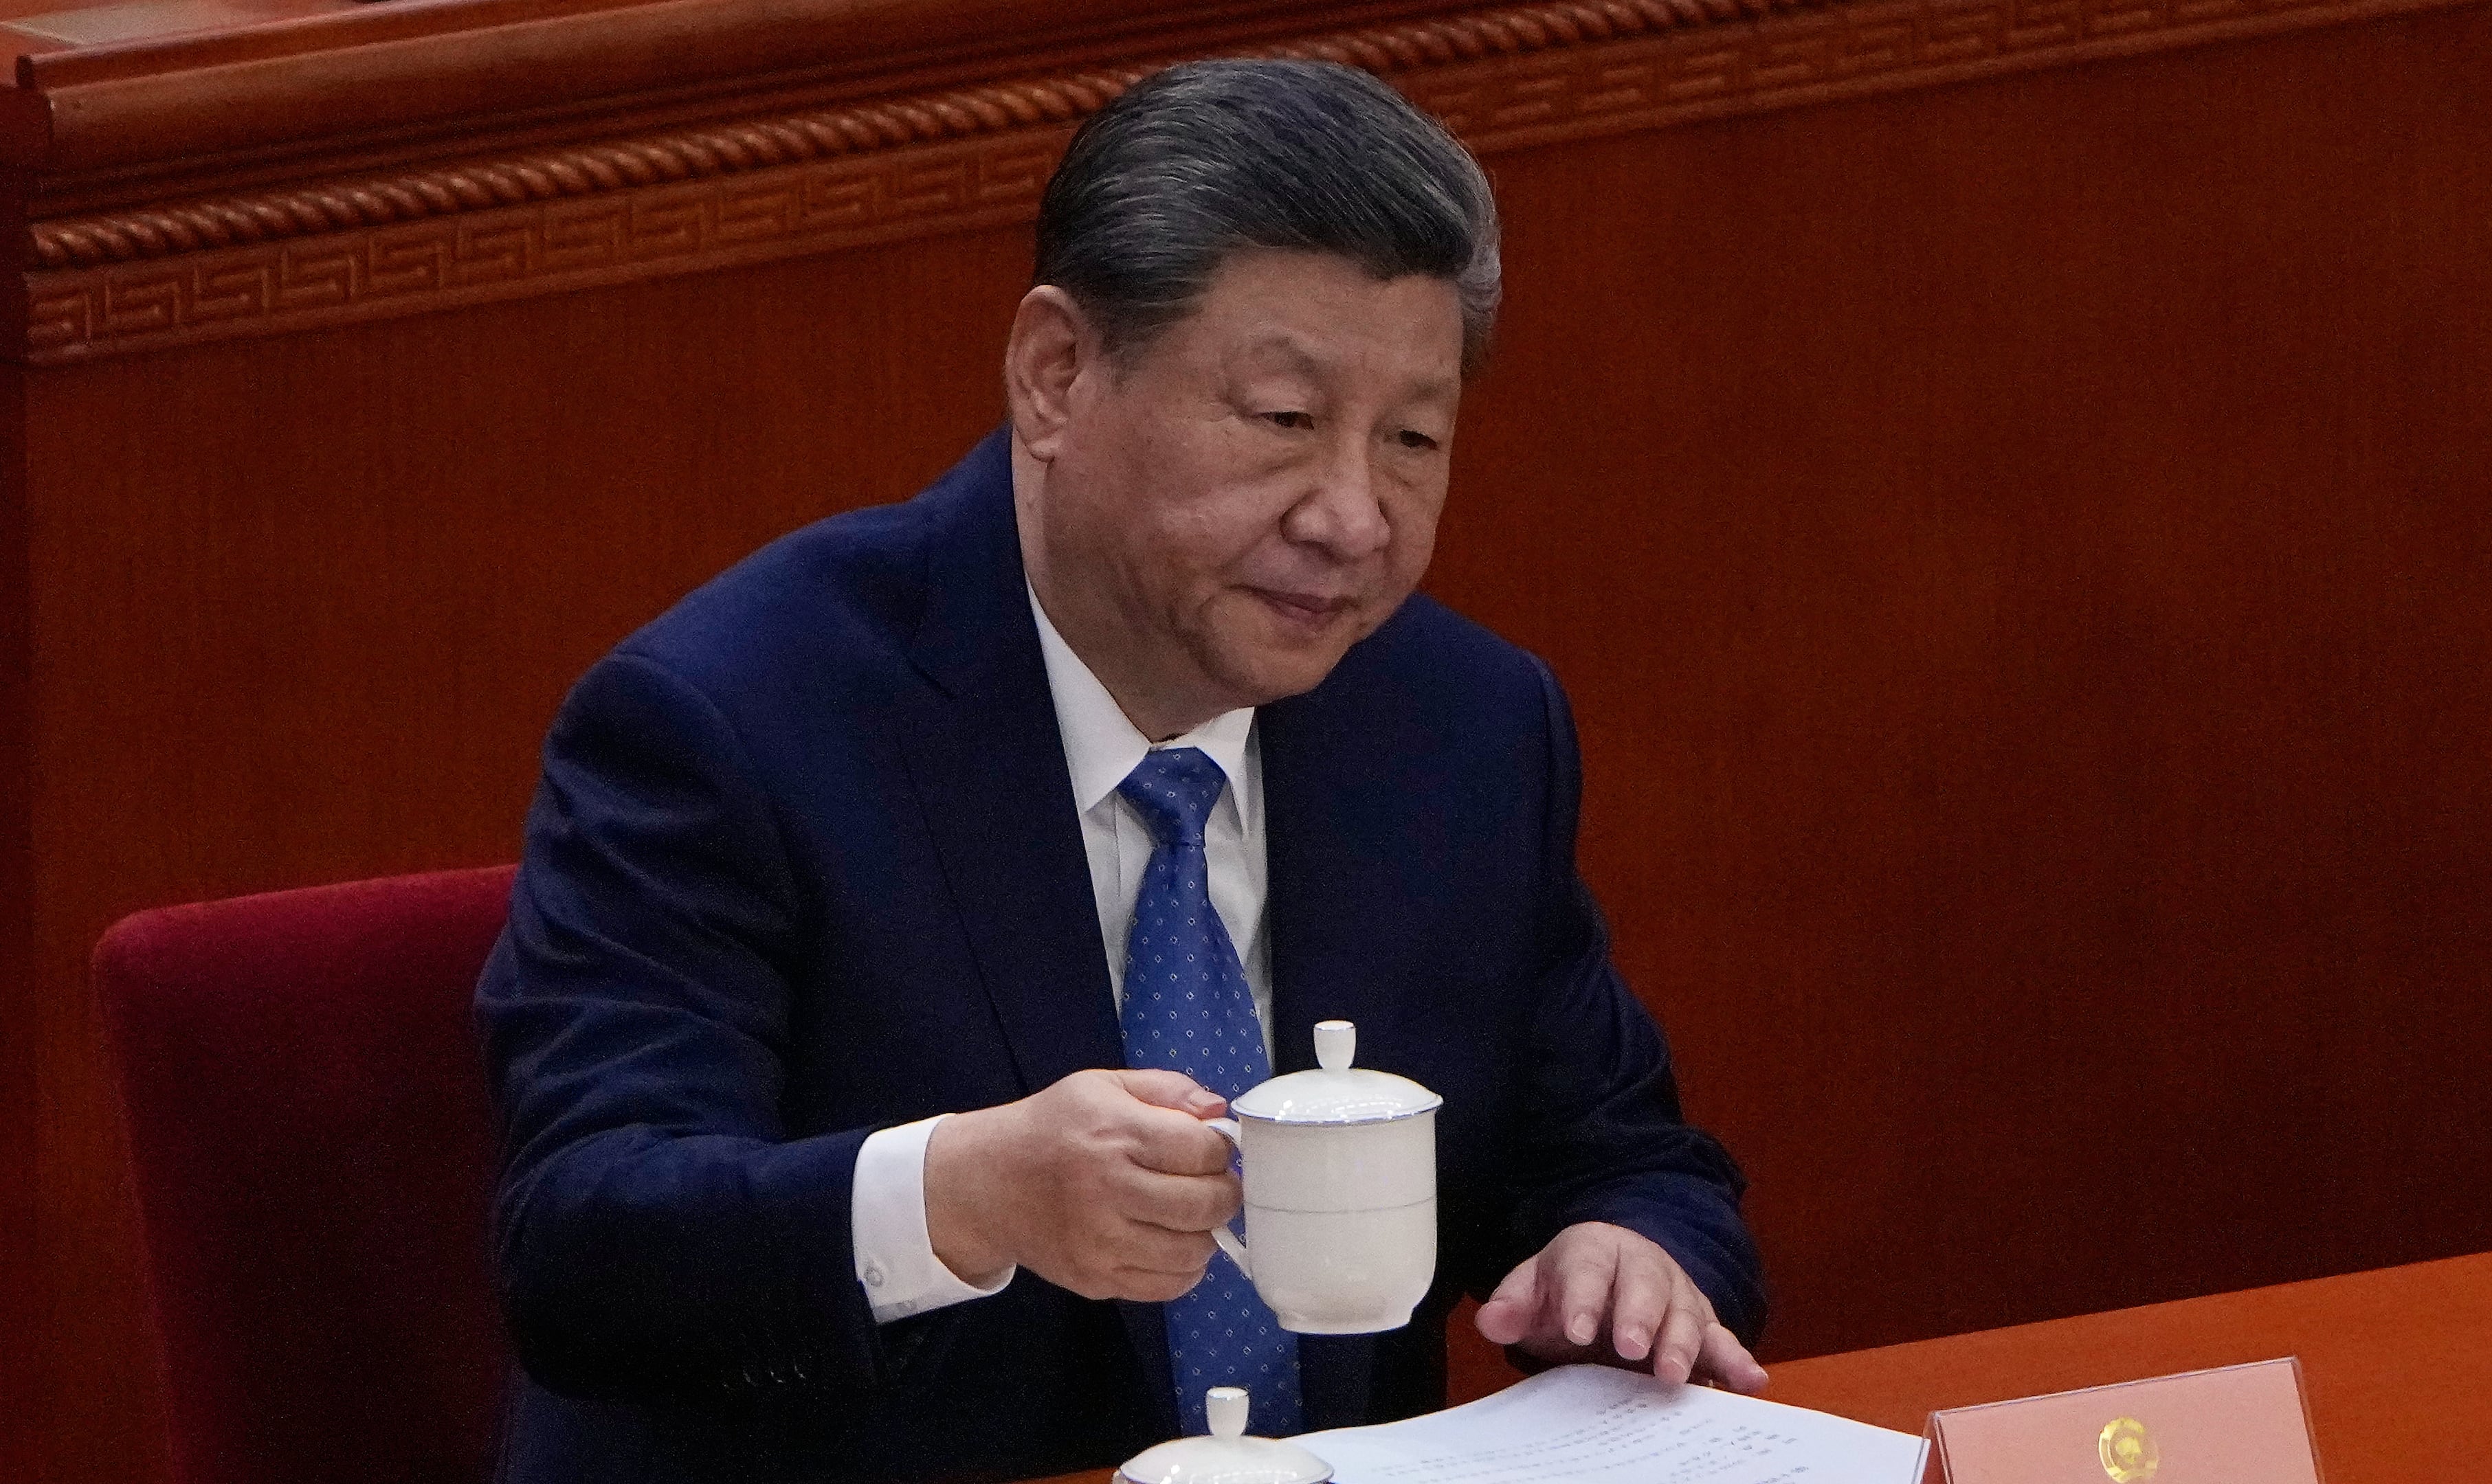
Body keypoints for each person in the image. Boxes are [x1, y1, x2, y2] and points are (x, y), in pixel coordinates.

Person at [478, 57, 1764, 1484]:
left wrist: (1628, 1252)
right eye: (1283, 420)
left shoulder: (1459, 727)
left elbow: (1623, 1151)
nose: (1353, 516)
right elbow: (586, 1245)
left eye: (1413, 440)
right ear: (1057, 375)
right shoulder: (732, 719)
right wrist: (963, 1196)